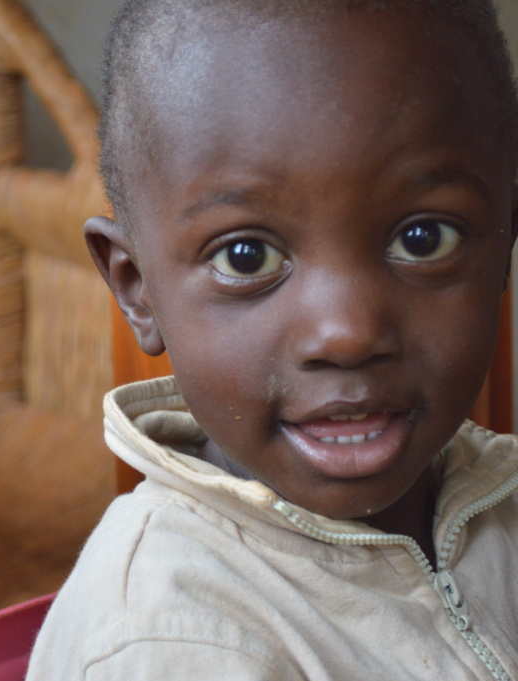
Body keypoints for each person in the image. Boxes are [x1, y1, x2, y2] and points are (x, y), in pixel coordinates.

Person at [27, 0, 518, 678]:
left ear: (505, 247)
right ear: (137, 287)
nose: (347, 333)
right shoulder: (171, 640)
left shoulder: (498, 497)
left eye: (422, 237)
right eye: (246, 256)